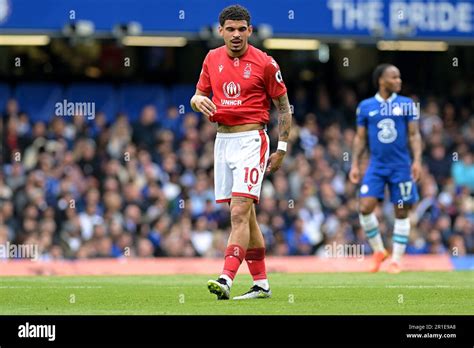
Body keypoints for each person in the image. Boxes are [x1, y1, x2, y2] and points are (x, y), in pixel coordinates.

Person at [190, 4, 291, 299]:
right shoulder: (211, 59)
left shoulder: (265, 63)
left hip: (251, 140)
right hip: (222, 141)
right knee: (248, 219)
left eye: (241, 29)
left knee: (238, 212)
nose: (236, 35)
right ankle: (261, 284)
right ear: (220, 31)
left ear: (250, 30)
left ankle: (226, 278)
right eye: (230, 29)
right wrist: (197, 102)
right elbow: (199, 94)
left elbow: (283, 108)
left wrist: (282, 148)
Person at [349, 64, 422, 274]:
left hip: (401, 167)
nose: (399, 81)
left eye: (399, 77)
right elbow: (360, 137)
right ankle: (380, 251)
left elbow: (414, 135)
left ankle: (396, 260)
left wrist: (417, 160)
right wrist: (355, 163)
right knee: (364, 207)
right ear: (382, 80)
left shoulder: (407, 104)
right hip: (377, 166)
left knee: (401, 210)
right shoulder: (365, 106)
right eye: (394, 77)